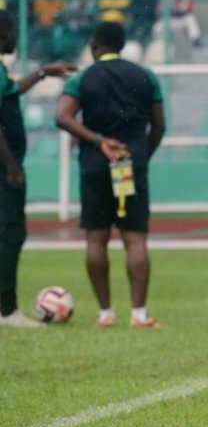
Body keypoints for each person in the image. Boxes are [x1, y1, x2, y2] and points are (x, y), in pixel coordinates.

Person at [55, 21, 165, 328]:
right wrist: (142, 156)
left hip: (95, 165)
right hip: (129, 165)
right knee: (135, 239)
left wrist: (98, 141)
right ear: (123, 45)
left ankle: (105, 314)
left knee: (96, 238)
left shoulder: (84, 78)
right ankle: (139, 314)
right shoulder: (145, 76)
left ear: (94, 46)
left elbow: (62, 117)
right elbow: (159, 125)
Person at [0, 11, 77, 328]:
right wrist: (10, 166)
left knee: (10, 233)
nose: (16, 38)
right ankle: (6, 311)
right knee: (10, 233)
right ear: (3, 34)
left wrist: (43, 72)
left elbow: (12, 91)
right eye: (12, 32)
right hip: (4, 168)